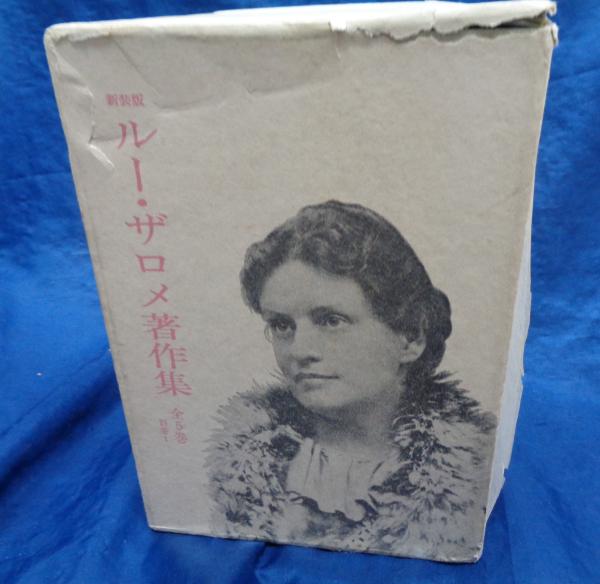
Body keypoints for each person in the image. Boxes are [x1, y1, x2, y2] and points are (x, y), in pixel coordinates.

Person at [206, 200, 495, 560]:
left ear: (410, 336)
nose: (299, 350)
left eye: (331, 321)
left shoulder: (473, 474)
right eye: (281, 325)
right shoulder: (241, 471)